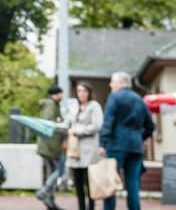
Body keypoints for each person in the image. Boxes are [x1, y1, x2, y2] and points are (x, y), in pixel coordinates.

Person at [99, 71, 155, 210]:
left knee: (110, 183)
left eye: (112, 81)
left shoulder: (114, 97)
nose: (110, 84)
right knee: (133, 184)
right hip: (135, 147)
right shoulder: (139, 100)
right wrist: (139, 137)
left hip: (116, 146)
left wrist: (102, 143)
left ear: (120, 83)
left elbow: (108, 121)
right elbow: (151, 126)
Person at [66, 82, 103, 210]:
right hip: (75, 150)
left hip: (88, 150)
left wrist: (79, 130)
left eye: (84, 91)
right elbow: (69, 123)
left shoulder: (94, 106)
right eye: (79, 91)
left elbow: (97, 126)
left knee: (89, 182)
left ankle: (91, 207)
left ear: (89, 92)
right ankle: (81, 207)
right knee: (78, 183)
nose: (82, 94)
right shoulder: (75, 107)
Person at [36, 85, 65, 210]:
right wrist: (63, 127)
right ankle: (44, 192)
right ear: (55, 94)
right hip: (50, 145)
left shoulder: (53, 105)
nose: (62, 96)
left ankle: (50, 203)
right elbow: (48, 123)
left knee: (51, 173)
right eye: (60, 94)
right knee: (60, 170)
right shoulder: (51, 105)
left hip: (48, 144)